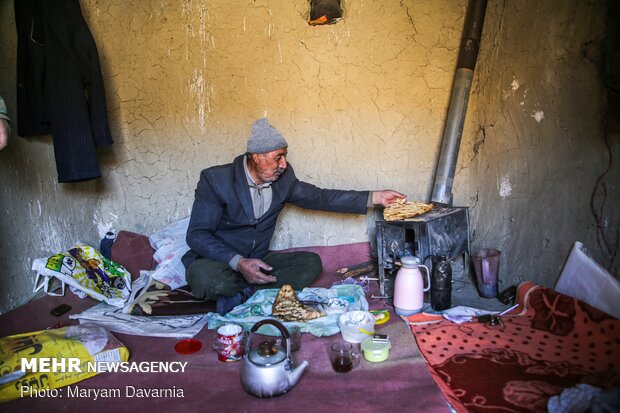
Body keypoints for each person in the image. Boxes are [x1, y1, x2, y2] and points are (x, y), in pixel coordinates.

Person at [182, 118, 405, 315]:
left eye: (285, 157)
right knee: (202, 277)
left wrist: (374, 197)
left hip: (259, 262)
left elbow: (320, 197)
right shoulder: (216, 180)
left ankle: (244, 294)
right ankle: (254, 292)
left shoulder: (284, 179)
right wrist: (238, 262)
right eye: (278, 157)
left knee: (310, 263)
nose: (284, 164)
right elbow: (197, 235)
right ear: (257, 157)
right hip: (223, 263)